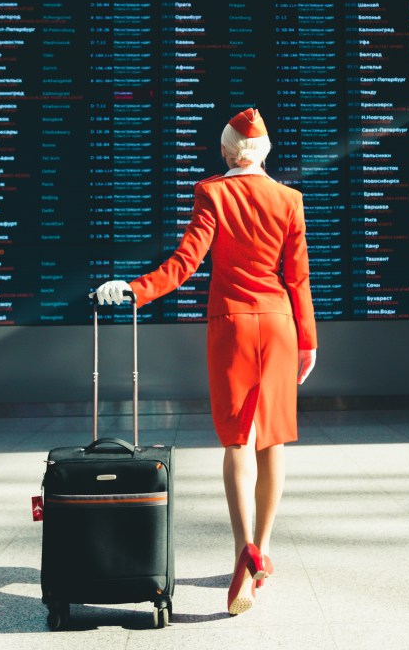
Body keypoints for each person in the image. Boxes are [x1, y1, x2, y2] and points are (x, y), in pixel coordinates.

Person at [96, 107, 317, 616]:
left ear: (224, 151)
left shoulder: (212, 192)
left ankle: (244, 552)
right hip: (281, 325)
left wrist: (134, 290)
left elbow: (184, 263)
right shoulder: (290, 200)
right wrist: (308, 341)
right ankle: (264, 548)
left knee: (238, 439)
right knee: (273, 440)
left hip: (234, 328)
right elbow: (298, 277)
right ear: (265, 153)